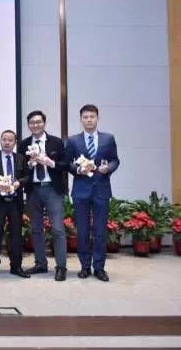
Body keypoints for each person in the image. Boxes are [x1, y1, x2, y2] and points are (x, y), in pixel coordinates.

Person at [65, 104, 119, 282]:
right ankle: (85, 266)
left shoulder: (108, 139)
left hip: (101, 190)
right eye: (85, 117)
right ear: (81, 119)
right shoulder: (73, 140)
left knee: (100, 231)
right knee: (82, 231)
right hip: (81, 191)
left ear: (97, 118)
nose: (89, 120)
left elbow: (115, 160)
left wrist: (108, 169)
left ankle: (99, 268)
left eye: (92, 116)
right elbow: (67, 164)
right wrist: (78, 170)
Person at [19, 110, 69, 281]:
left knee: (57, 228)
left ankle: (61, 267)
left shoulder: (56, 142)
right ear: (28, 125)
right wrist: (29, 164)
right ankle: (40, 263)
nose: (35, 125)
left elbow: (66, 164)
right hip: (33, 189)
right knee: (36, 229)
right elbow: (19, 168)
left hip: (52, 189)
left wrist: (51, 162)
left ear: (44, 123)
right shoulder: (24, 144)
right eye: (32, 122)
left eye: (38, 122)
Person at [0, 130, 30, 279]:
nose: (7, 142)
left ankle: (16, 267)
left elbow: (27, 176)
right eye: (4, 139)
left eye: (10, 140)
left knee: (16, 235)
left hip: (15, 202)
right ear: (0, 140)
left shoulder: (21, 158)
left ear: (15, 142)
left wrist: (19, 182)